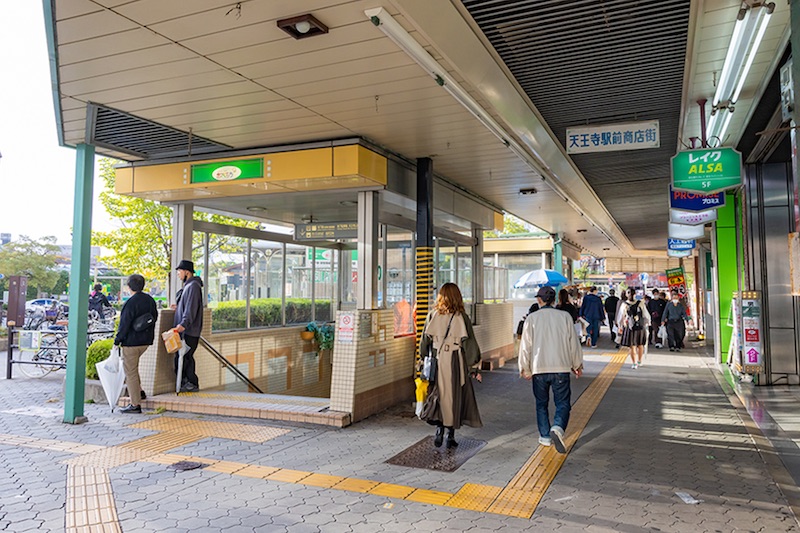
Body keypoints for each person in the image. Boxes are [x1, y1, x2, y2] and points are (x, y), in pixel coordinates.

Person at [518, 286, 584, 454]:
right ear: (554, 300)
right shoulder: (565, 317)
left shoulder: (532, 318)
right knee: (563, 403)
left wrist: (525, 368)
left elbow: (525, 346)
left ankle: (545, 436)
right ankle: (558, 427)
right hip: (561, 367)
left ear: (539, 300)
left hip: (539, 367)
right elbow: (573, 342)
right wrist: (577, 364)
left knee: (541, 404)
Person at [419, 283, 482, 448]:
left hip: (437, 360)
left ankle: (439, 431)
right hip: (455, 361)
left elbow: (424, 342)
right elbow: (469, 344)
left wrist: (423, 358)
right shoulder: (462, 317)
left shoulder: (432, 315)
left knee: (438, 394)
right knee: (454, 396)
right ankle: (450, 436)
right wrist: (473, 367)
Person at [114, 274, 157, 413]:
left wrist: (117, 340)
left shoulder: (130, 303)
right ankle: (140, 391)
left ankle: (135, 404)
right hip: (146, 341)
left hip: (131, 342)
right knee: (133, 368)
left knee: (130, 372)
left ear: (129, 287)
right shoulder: (150, 300)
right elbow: (154, 318)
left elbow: (124, 324)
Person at [172, 259, 204, 392]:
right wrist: (178, 307)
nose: (178, 274)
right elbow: (188, 306)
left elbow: (191, 308)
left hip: (189, 331)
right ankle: (186, 382)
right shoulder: (189, 286)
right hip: (187, 330)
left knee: (186, 357)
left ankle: (191, 383)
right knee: (184, 357)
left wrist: (183, 324)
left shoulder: (193, 286)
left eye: (179, 271)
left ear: (187, 272)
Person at [617, 288, 650, 368]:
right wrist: (648, 324)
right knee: (640, 345)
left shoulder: (624, 304)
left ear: (626, 294)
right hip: (640, 327)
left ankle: (634, 363)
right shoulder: (640, 303)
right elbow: (646, 315)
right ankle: (639, 361)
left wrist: (620, 326)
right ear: (635, 294)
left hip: (629, 327)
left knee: (632, 346)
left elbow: (620, 316)